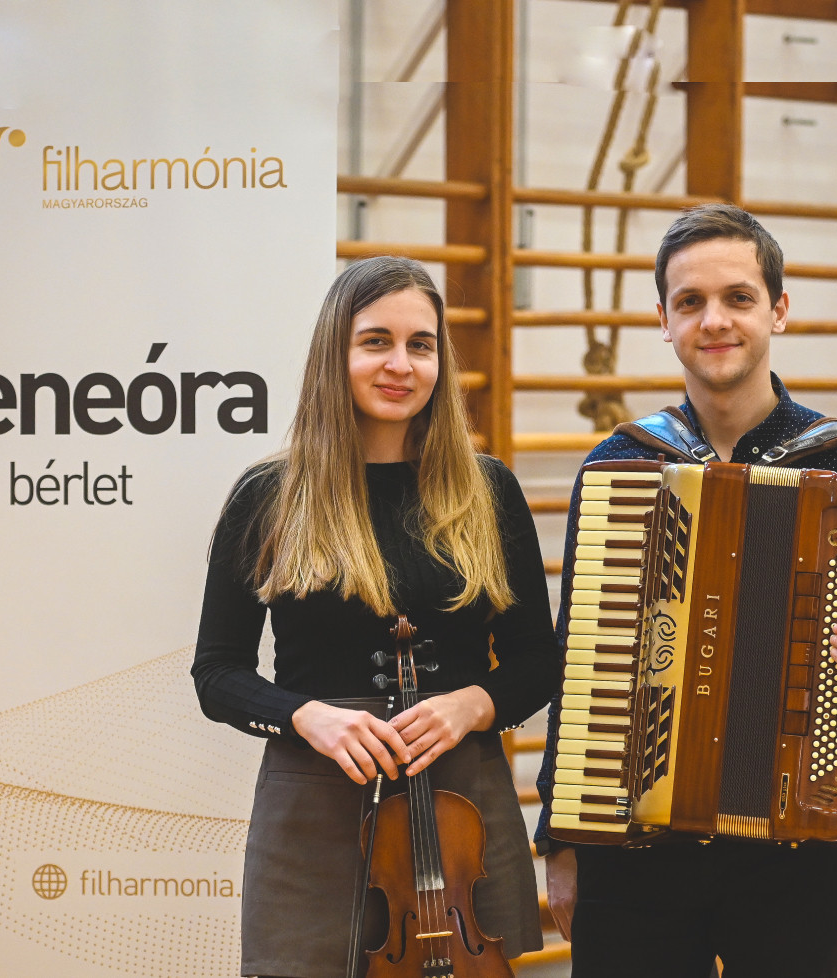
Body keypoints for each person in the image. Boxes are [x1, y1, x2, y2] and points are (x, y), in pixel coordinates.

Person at [534, 204, 837, 978]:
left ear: (777, 310)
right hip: (634, 848)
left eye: (737, 297)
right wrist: (559, 839)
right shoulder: (620, 466)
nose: (713, 320)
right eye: (689, 301)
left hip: (794, 857)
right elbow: (580, 664)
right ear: (662, 320)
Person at [192, 256, 555, 978]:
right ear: (336, 354)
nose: (400, 365)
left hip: (460, 798)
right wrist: (306, 717)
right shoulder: (269, 495)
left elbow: (538, 662)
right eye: (375, 342)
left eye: (420, 345)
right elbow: (217, 673)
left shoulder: (488, 490)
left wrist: (472, 704)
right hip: (315, 798)